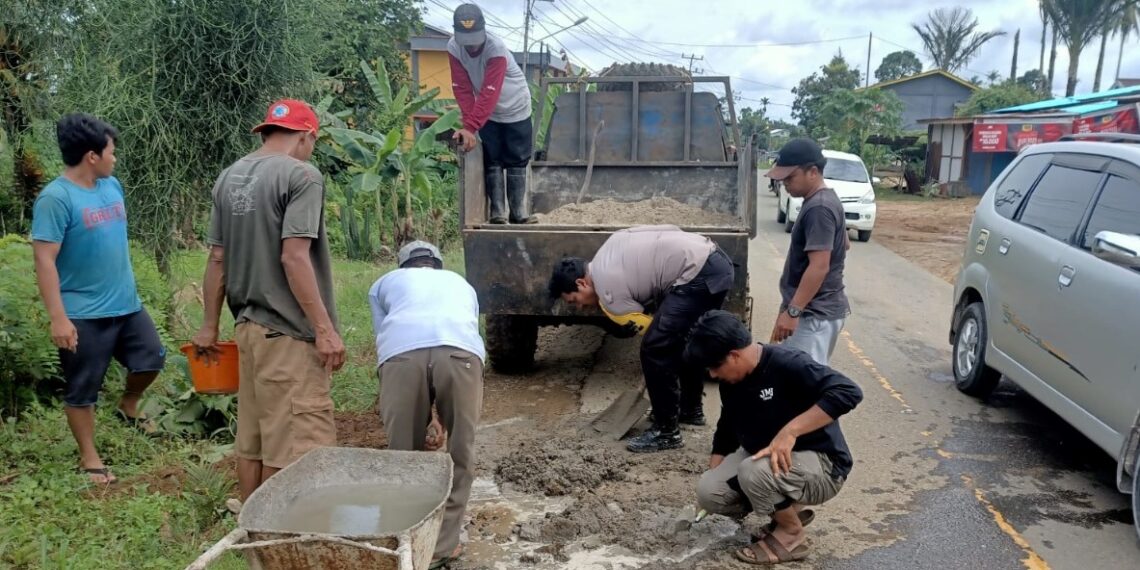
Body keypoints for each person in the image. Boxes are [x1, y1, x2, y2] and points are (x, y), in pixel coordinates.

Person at [192, 99, 344, 500]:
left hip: (248, 331)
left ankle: (252, 529)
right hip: (288, 334)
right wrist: (324, 329)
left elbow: (217, 258)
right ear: (306, 137)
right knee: (295, 446)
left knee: (254, 442)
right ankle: (283, 530)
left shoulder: (229, 177)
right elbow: (294, 257)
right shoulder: (302, 175)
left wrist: (209, 326)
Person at [31, 113, 166, 485]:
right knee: (83, 388)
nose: (115, 158)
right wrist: (59, 318)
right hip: (83, 312)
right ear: (92, 156)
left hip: (126, 304)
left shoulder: (111, 186)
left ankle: (128, 404)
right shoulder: (56, 199)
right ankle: (90, 459)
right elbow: (44, 260)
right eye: (111, 151)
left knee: (152, 358)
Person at [686, 310, 862, 566]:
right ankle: (784, 509)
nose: (712, 375)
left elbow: (848, 391)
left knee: (752, 471)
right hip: (766, 461)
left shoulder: (789, 363)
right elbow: (727, 426)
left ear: (734, 355)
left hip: (823, 466)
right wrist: (716, 469)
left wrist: (790, 431)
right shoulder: (732, 381)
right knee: (709, 492)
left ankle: (791, 534)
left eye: (714, 367)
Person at [548, 225, 735, 453]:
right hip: (713, 259)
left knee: (654, 348)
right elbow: (670, 228)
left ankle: (666, 432)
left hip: (697, 273)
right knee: (684, 337)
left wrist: (661, 347)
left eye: (574, 300)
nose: (579, 307)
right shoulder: (608, 248)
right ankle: (689, 410)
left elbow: (650, 332)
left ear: (581, 283)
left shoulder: (608, 293)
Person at [369, 240, 485, 569]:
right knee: (461, 453)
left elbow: (386, 338)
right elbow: (461, 333)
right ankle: (441, 547)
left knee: (403, 456)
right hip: (461, 355)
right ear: (437, 265)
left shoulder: (383, 284)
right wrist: (442, 420)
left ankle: (404, 542)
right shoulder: (461, 284)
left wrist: (422, 418)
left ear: (403, 266)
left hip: (401, 356)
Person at [765, 138, 850, 365]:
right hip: (814, 310)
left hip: (812, 315)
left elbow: (819, 266)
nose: (784, 183)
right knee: (787, 374)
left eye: (790, 177)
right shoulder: (825, 199)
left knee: (800, 381)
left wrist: (793, 312)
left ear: (813, 172)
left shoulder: (819, 207)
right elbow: (845, 243)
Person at [448, 3, 535, 224]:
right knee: (492, 157)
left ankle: (518, 214)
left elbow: (490, 90)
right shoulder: (454, 48)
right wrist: (469, 126)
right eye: (466, 40)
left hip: (515, 106)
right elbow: (461, 87)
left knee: (516, 158)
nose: (471, 46)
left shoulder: (496, 49)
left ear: (484, 30)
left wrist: (471, 126)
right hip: (487, 112)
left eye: (474, 39)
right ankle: (497, 213)